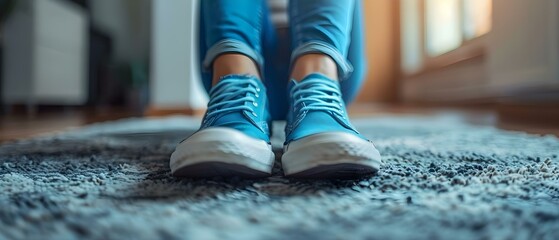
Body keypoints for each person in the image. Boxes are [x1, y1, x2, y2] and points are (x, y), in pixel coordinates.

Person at [169, 0, 381, 179]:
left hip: (330, 64)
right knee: (235, 57)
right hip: (235, 69)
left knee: (319, 61)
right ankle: (237, 80)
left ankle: (318, 81)